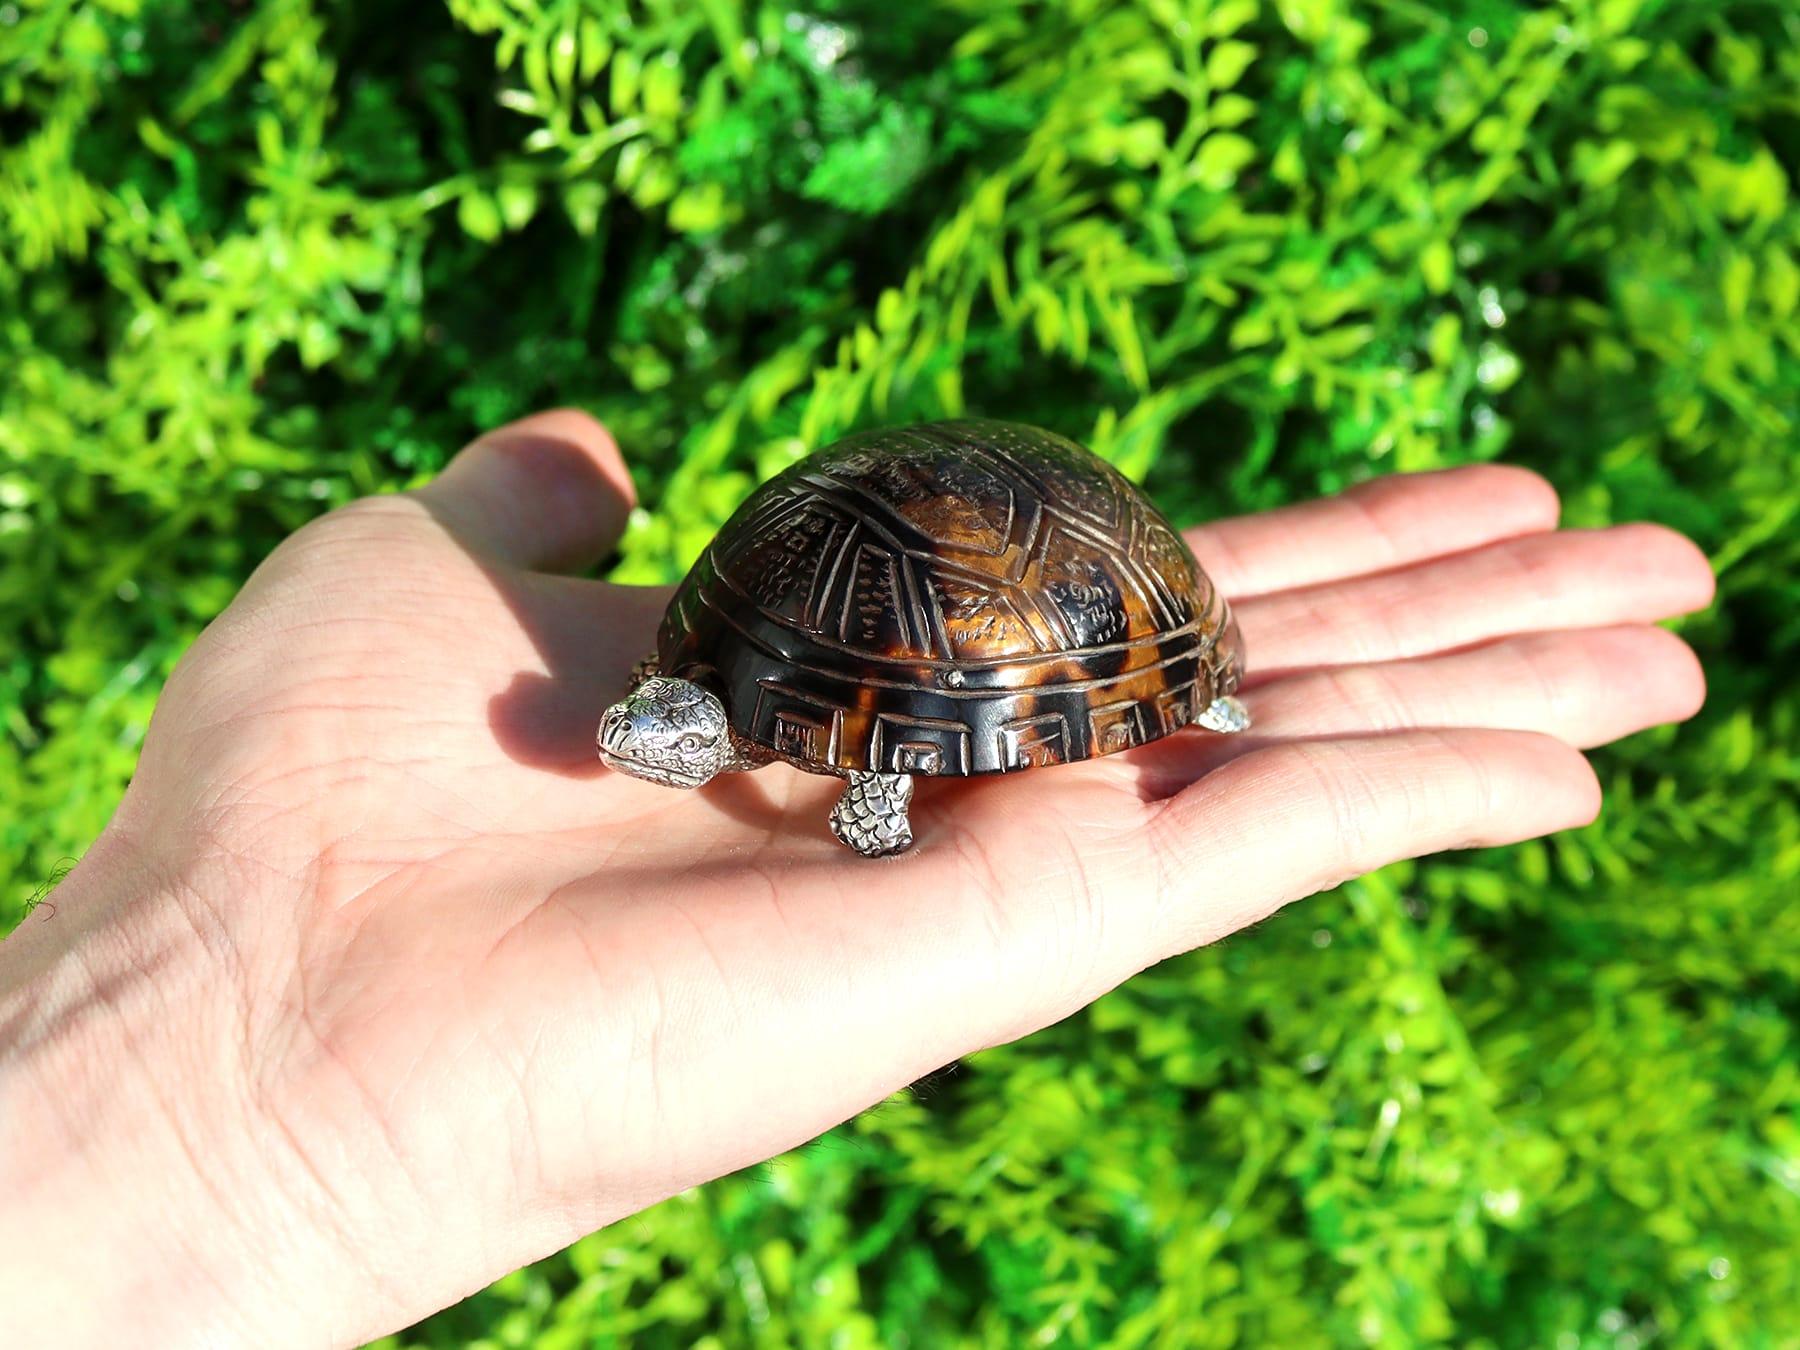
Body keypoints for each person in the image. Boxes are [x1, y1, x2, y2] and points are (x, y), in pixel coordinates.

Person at [0, 410, 1715, 1347]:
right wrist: (205, 1129)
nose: (654, 740)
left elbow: (865, 743)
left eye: (667, 731)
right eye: (672, 724)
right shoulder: (698, 692)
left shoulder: (822, 734)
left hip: (1037, 587)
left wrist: (909, 772)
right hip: (882, 567)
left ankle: (1179, 671)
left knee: (901, 750)